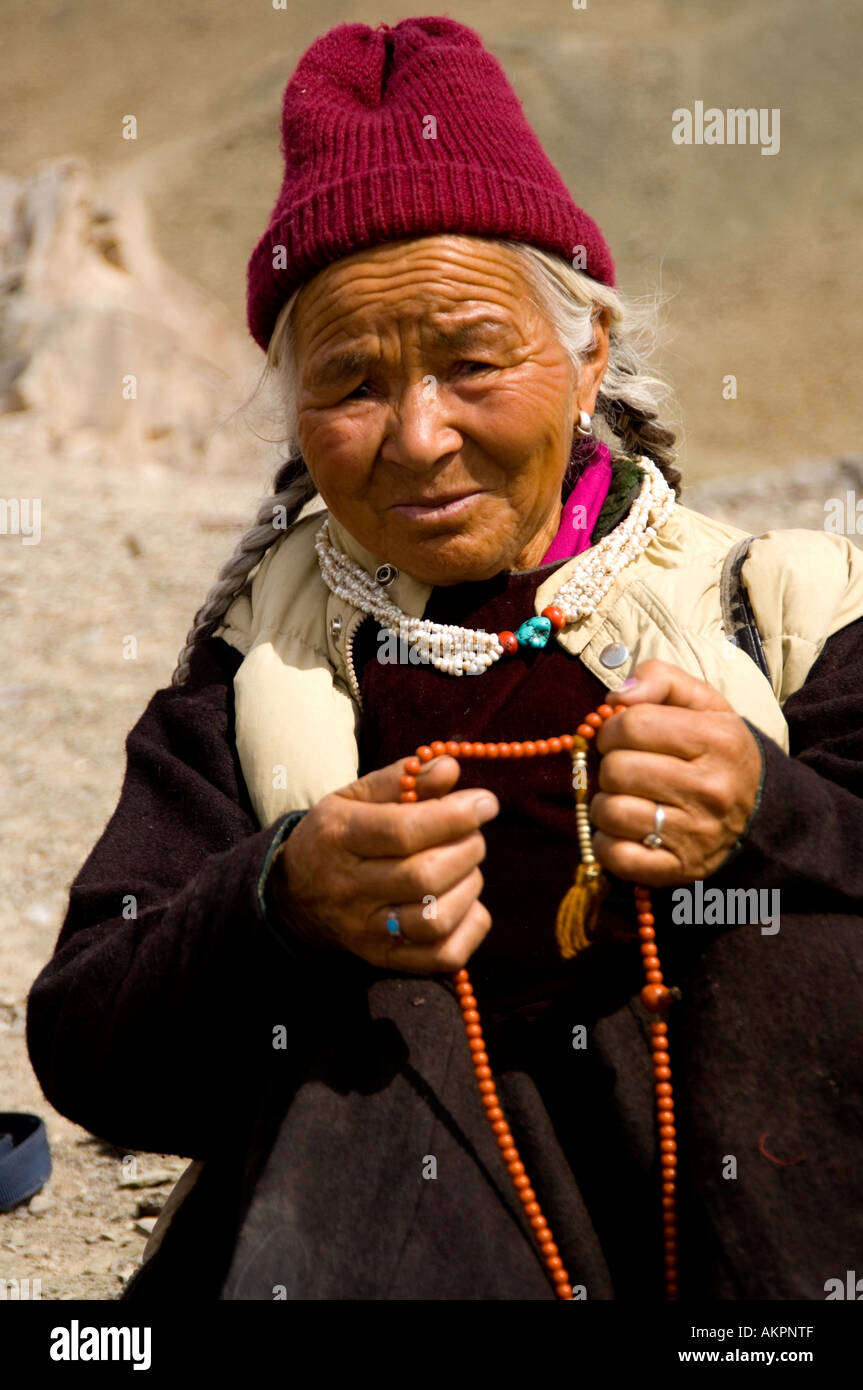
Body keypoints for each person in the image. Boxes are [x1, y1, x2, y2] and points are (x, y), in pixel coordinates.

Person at [26, 16, 863, 1302]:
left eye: (472, 363)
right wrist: (281, 900)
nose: (416, 438)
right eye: (352, 382)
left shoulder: (785, 605)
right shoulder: (259, 672)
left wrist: (774, 812)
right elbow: (90, 1045)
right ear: (295, 408)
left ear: (586, 352)